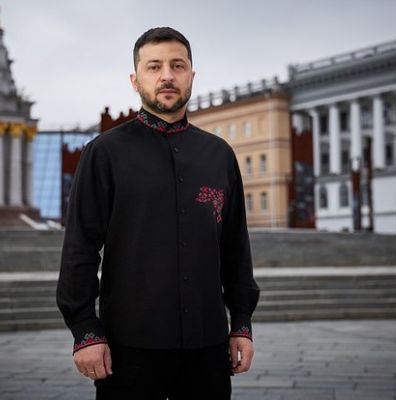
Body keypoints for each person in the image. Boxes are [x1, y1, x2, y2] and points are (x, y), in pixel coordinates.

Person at [56, 26, 260, 400]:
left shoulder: (219, 155)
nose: (167, 76)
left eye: (177, 66)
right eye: (154, 67)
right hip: (129, 350)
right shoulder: (104, 153)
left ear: (191, 76)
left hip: (208, 349)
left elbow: (235, 248)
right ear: (135, 80)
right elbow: (80, 248)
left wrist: (241, 323)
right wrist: (85, 330)